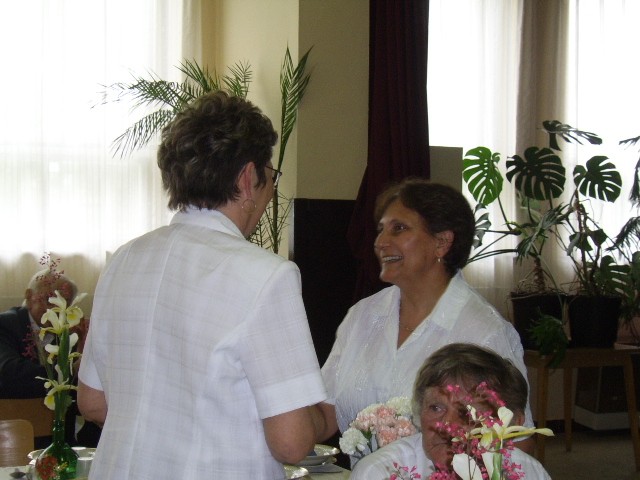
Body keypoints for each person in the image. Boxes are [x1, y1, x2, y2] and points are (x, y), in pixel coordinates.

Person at [78, 91, 327, 479]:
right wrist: (327, 414)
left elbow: (93, 402)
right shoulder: (266, 275)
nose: (269, 190)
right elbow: (291, 442)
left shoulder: (124, 260)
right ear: (248, 178)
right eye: (270, 176)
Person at [317, 178, 533, 460]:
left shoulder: (484, 332)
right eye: (381, 230)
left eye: (399, 229)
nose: (380, 242)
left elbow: (516, 444)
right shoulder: (362, 316)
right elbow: (325, 413)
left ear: (442, 242)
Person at [350, 343, 551, 479]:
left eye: (468, 412)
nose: (448, 425)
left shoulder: (529, 472)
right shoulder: (380, 473)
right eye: (436, 408)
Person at [0, 268, 78, 399]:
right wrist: (69, 372)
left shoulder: (70, 334)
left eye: (64, 303)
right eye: (49, 300)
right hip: (13, 407)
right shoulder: (5, 324)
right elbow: (9, 371)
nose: (56, 309)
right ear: (29, 297)